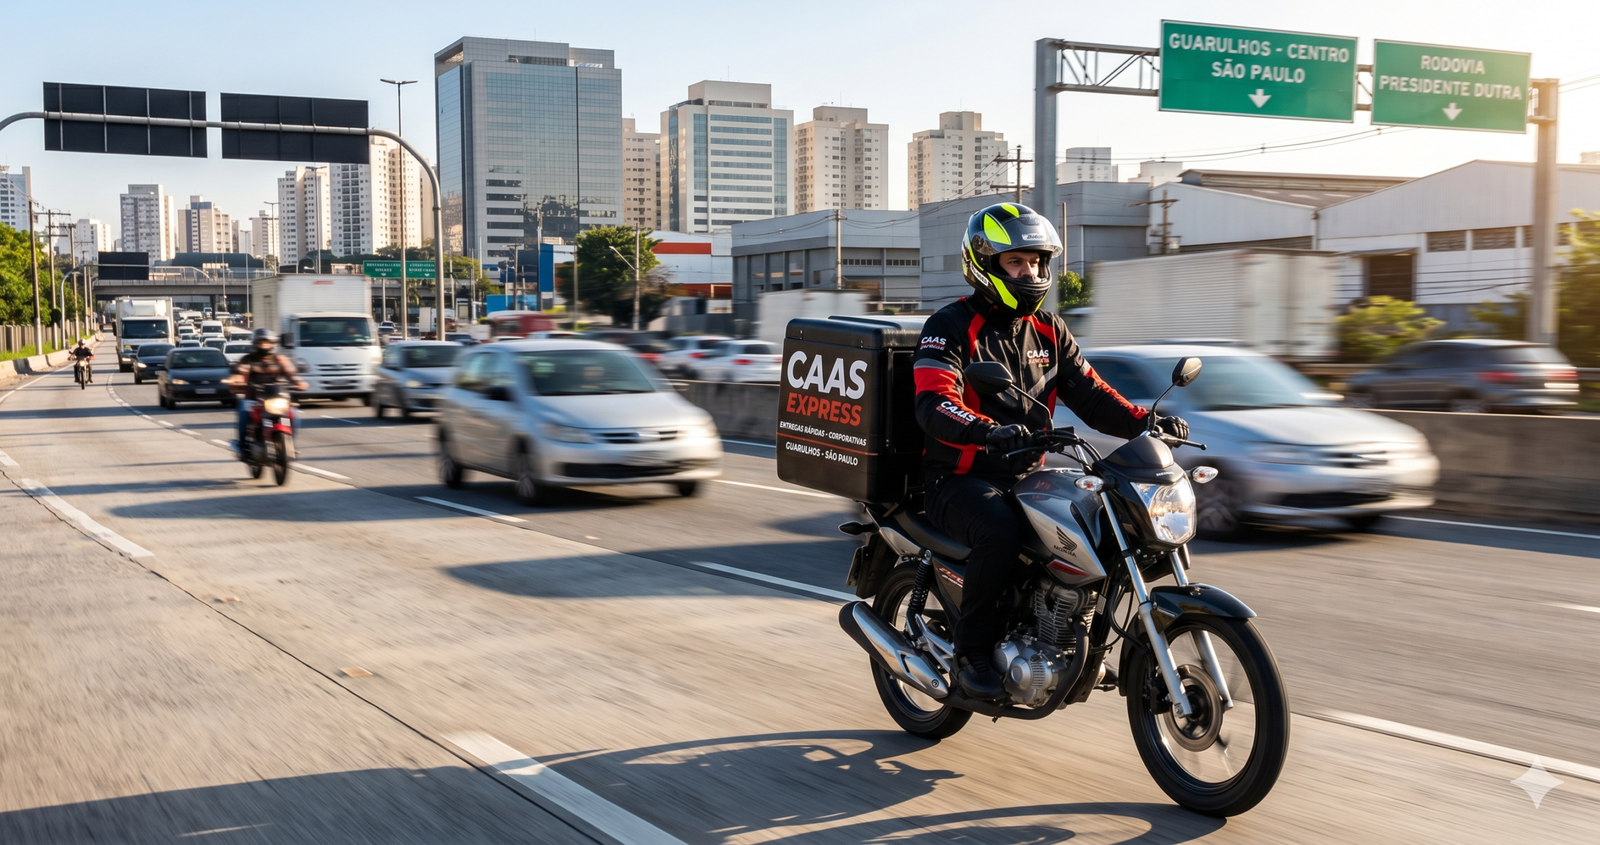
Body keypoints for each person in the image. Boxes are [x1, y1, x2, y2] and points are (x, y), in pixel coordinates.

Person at [912, 202, 1189, 700]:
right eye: (1018, 262)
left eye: (1038, 262)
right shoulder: (950, 325)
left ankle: (1075, 638)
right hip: (958, 479)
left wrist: (1147, 421)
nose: (1031, 272)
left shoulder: (1050, 330)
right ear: (986, 263)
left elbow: (1092, 395)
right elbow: (933, 403)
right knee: (999, 530)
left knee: (1106, 523)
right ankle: (972, 655)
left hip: (1028, 475)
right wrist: (985, 429)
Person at [229, 328, 307, 457]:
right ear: (255, 343)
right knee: (243, 411)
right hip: (254, 399)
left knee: (294, 414)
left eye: (267, 342)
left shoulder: (280, 360)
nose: (264, 345)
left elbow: (292, 373)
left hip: (277, 398)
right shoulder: (248, 360)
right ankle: (242, 446)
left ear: (273, 343)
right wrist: (237, 381)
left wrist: (299, 382)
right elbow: (240, 373)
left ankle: (290, 445)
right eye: (261, 342)